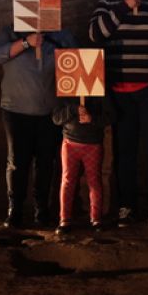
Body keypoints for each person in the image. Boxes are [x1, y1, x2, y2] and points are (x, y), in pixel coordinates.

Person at [88, 0, 148, 229]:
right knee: (124, 151)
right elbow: (95, 35)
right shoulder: (108, 1)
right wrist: (124, 5)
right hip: (119, 90)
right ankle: (126, 206)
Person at [0, 27, 75, 228]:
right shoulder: (8, 32)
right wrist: (26, 43)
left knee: (46, 162)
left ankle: (41, 209)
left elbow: (76, 63)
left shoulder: (62, 36)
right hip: (15, 111)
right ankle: (15, 209)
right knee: (17, 161)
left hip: (49, 112)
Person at [52, 96, 114, 234]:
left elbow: (111, 116)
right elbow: (56, 118)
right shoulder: (66, 86)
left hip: (93, 144)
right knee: (67, 181)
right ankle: (64, 219)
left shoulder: (99, 87)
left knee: (94, 182)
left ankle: (96, 219)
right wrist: (73, 109)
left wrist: (92, 119)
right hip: (70, 143)